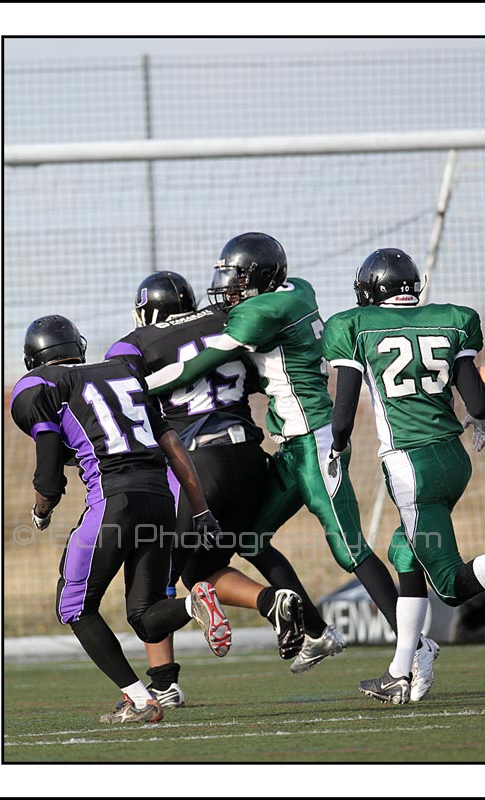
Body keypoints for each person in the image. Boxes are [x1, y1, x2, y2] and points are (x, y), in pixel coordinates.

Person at [145, 233, 406, 679]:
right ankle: (317, 632)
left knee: (349, 548)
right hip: (291, 446)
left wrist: (133, 386)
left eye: (237, 278)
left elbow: (193, 368)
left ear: (263, 278)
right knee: (250, 538)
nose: (229, 287)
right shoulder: (297, 289)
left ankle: (412, 643)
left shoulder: (260, 312)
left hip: (315, 440)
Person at [105, 271, 340, 705]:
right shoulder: (223, 320)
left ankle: (164, 683)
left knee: (153, 574)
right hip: (250, 456)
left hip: (198, 465)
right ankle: (273, 602)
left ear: (148, 311)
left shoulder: (134, 344)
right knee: (206, 567)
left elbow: (120, 402)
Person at [10, 314, 232, 724]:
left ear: (33, 358)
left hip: (114, 499)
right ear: (76, 347)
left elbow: (49, 475)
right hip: (160, 500)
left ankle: (140, 700)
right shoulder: (123, 373)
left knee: (74, 607)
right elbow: (173, 446)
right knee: (146, 617)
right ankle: (194, 602)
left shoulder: (39, 386)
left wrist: (41, 510)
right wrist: (200, 510)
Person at [322, 247, 485, 704]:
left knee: (449, 585)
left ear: (371, 290)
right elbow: (478, 404)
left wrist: (336, 447)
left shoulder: (354, 325)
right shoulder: (453, 320)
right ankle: (401, 670)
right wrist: (482, 420)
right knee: (404, 551)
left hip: (411, 466)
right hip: (453, 460)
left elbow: (342, 419)